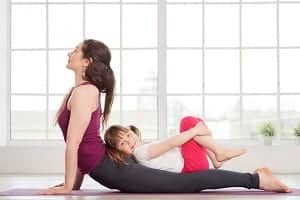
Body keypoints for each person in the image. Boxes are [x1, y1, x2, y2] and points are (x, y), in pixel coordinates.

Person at [41, 39, 291, 195]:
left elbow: (75, 145)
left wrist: (67, 186)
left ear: (86, 62)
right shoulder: (78, 92)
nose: (69, 53)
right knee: (184, 181)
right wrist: (73, 185)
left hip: (111, 168)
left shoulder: (86, 92)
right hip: (106, 165)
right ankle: (253, 176)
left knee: (185, 184)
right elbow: (81, 145)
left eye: (75, 50)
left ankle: (257, 179)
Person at [104, 116, 246, 173]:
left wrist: (195, 131)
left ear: (131, 131)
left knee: (194, 122)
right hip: (190, 165)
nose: (129, 141)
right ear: (119, 151)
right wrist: (195, 130)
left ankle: (216, 158)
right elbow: (171, 143)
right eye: (123, 143)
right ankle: (218, 152)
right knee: (187, 123)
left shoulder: (143, 147)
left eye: (128, 135)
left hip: (189, 161)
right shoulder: (140, 152)